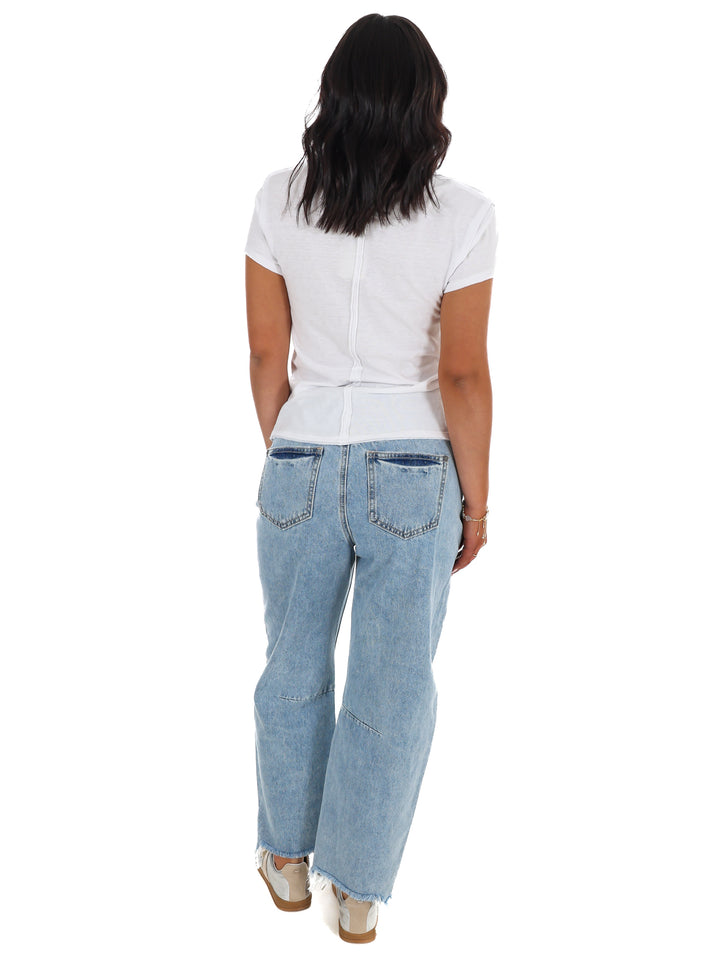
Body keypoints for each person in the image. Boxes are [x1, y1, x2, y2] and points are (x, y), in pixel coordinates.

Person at [245, 13, 497, 944]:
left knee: (291, 663)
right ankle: (356, 893)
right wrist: (477, 502)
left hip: (300, 455)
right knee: (393, 686)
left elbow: (265, 355)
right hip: (415, 470)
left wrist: (292, 450)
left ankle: (284, 859)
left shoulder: (278, 200)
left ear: (335, 95)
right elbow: (461, 375)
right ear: (427, 103)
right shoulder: (463, 215)